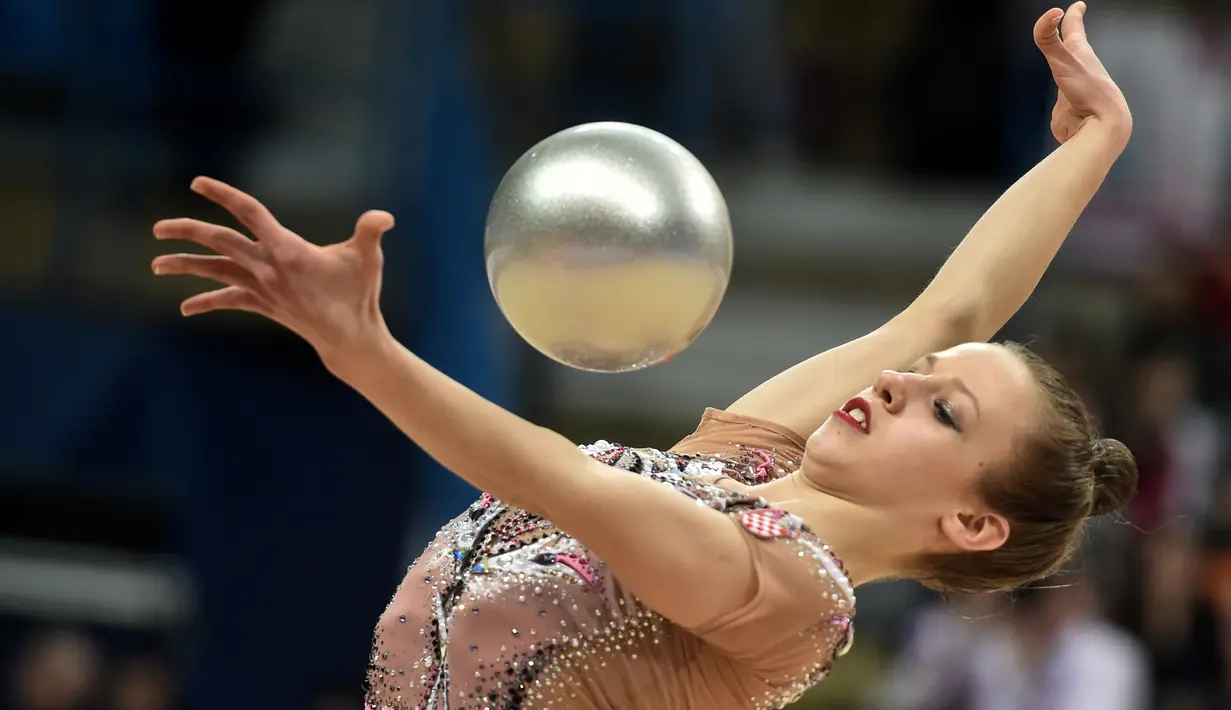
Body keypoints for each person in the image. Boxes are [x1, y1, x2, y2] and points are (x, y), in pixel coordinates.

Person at [150, 4, 1136, 708]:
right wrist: (1096, 139)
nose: (896, 381)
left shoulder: (793, 599)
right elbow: (950, 305)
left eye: (943, 410)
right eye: (924, 377)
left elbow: (554, 476)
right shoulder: (746, 468)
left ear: (968, 519)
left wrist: (361, 348)